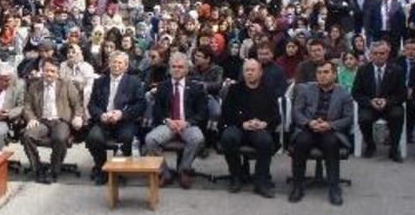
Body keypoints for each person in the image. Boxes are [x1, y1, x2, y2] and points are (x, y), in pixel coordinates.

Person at [288, 60, 353, 206]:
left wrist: (330, 125)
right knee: (301, 142)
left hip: (330, 130)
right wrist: (309, 122)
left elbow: (348, 118)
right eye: (319, 72)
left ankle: (334, 188)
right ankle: (297, 186)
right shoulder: (305, 90)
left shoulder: (344, 93)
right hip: (308, 128)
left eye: (326, 72)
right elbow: (297, 112)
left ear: (334, 75)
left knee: (331, 143)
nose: (322, 75)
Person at [144, 52, 209, 189]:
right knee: (150, 140)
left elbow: (202, 112)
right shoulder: (163, 86)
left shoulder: (196, 88)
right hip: (168, 124)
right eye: (174, 66)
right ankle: (165, 173)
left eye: (180, 67)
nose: (177, 69)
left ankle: (184, 170)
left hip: (187, 124)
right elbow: (157, 111)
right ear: (169, 68)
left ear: (186, 69)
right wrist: (167, 120)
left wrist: (187, 122)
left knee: (198, 138)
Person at [218, 59, 280, 197]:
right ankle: (236, 175)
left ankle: (261, 181)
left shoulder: (268, 91)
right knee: (228, 137)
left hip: (259, 127)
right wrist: (243, 123)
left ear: (260, 72)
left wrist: (265, 123)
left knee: (265, 141)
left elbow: (276, 116)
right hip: (239, 126)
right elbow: (226, 113)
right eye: (247, 70)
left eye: (253, 70)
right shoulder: (234, 89)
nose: (249, 73)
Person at [86, 51, 146, 185]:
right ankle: (102, 168)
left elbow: (141, 105)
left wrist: (121, 114)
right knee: (93, 137)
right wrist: (101, 115)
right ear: (109, 64)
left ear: (126, 66)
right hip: (104, 120)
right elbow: (92, 104)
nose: (116, 65)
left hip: (124, 121)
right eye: (114, 62)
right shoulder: (99, 82)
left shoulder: (134, 82)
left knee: (126, 137)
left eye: (120, 63)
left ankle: (120, 171)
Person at [21, 58, 83, 184]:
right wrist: (31, 118)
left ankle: (54, 170)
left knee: (59, 138)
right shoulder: (34, 86)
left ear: (57, 73)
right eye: (46, 71)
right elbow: (27, 106)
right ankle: (37, 168)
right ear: (42, 71)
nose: (49, 74)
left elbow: (77, 103)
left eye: (52, 71)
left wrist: (78, 116)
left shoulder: (66, 84)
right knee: (27, 136)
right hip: (42, 121)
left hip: (60, 120)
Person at [351, 40, 406, 161]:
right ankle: (370, 145)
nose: (378, 56)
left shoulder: (397, 70)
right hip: (370, 105)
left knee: (398, 114)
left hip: (390, 105)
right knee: (364, 118)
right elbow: (356, 93)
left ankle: (394, 149)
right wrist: (370, 102)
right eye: (375, 53)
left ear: (387, 54)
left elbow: (402, 94)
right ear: (370, 54)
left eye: (382, 53)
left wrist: (387, 102)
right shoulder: (363, 70)